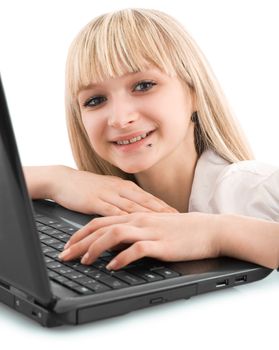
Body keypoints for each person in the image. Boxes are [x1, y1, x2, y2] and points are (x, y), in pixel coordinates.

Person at [24, 8, 279, 271]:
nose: (120, 119)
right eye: (95, 100)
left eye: (144, 85)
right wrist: (55, 179)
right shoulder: (93, 203)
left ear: (194, 93)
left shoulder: (253, 187)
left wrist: (215, 234)